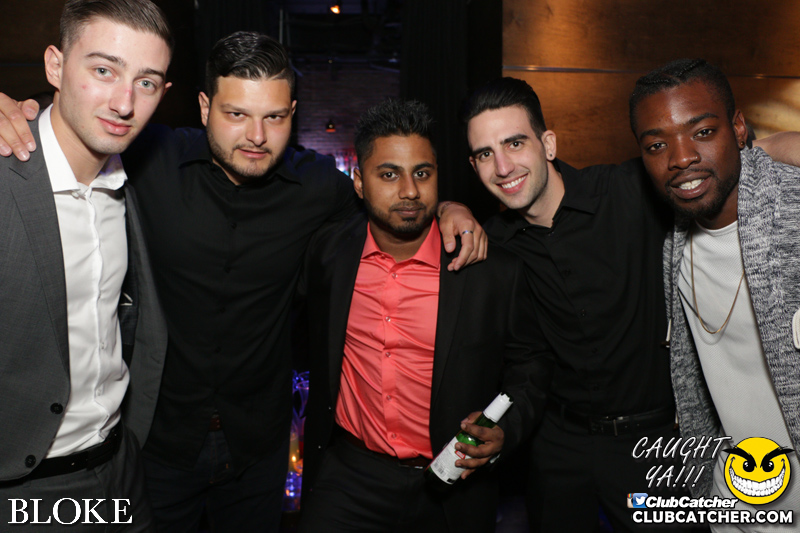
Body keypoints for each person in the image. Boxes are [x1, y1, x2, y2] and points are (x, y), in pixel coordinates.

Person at [0, 31, 486, 532]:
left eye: (274, 117)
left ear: (293, 112)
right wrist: (16, 113)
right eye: (236, 114)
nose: (256, 135)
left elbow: (396, 199)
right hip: (157, 444)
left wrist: (449, 207)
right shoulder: (149, 158)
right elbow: (72, 128)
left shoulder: (319, 185)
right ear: (205, 106)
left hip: (256, 450)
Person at [297, 98, 553, 532]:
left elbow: (531, 365)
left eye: (422, 173)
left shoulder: (490, 271)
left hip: (453, 485)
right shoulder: (329, 254)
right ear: (358, 182)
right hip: (349, 477)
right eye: (388, 175)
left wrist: (505, 431)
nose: (410, 192)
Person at [463, 77, 685, 532]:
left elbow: (724, 162)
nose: (502, 167)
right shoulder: (495, 244)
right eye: (485, 154)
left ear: (548, 144)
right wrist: (450, 207)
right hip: (558, 445)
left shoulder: (629, 192)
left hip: (653, 444)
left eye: (515, 143)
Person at [0, 0, 171, 528]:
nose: (124, 103)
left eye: (146, 82)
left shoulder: (135, 179)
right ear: (55, 66)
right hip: (23, 488)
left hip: (122, 470)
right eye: (103, 70)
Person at [629, 58, 800, 528]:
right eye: (657, 144)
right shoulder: (673, 241)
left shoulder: (793, 210)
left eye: (702, 132)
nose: (681, 157)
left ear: (738, 128)